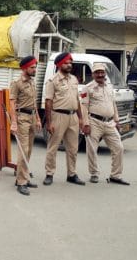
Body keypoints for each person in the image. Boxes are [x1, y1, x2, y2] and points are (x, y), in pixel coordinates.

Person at [81, 63, 130, 185]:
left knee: (119, 148)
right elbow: (84, 107)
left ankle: (115, 175)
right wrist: (85, 124)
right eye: (97, 72)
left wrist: (117, 120)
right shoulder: (87, 88)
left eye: (102, 72)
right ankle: (94, 173)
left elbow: (113, 104)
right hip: (94, 122)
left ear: (105, 73)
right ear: (93, 74)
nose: (100, 74)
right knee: (92, 149)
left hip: (109, 123)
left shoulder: (109, 86)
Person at [42, 52, 86, 186]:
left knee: (73, 148)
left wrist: (80, 117)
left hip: (73, 117)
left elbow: (77, 100)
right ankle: (49, 174)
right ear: (59, 65)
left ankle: (71, 174)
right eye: (67, 63)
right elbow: (48, 102)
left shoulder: (74, 79)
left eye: (70, 63)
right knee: (53, 146)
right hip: (58, 116)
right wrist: (49, 123)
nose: (69, 65)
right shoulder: (52, 81)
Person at [9, 55, 41, 196]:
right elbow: (12, 103)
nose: (35, 69)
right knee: (23, 150)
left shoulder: (32, 82)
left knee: (28, 151)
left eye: (35, 67)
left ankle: (23, 177)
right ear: (25, 68)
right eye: (32, 67)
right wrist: (14, 123)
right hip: (22, 118)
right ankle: (21, 182)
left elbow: (34, 103)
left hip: (32, 117)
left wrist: (38, 119)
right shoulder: (17, 83)